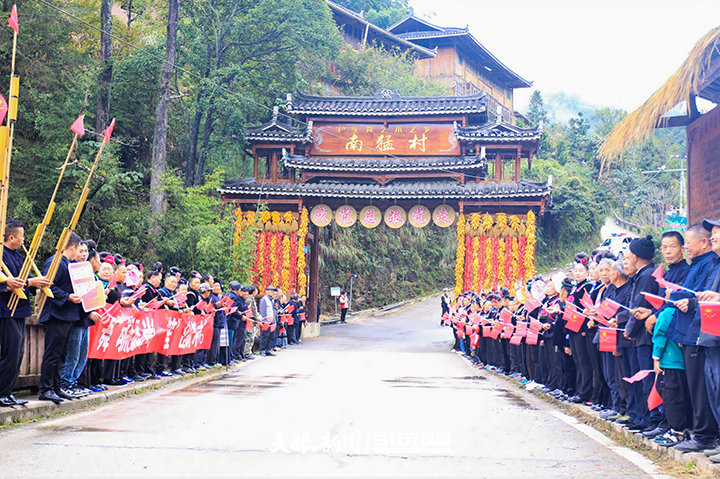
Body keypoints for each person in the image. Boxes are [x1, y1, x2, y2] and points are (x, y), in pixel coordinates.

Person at [0, 219, 51, 406]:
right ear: (11, 237)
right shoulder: (1, 254)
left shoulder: (18, 255)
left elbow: (23, 278)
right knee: (10, 353)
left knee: (18, 354)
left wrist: (34, 281)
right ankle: (1, 392)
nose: (24, 240)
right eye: (22, 236)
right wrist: (8, 284)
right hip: (6, 310)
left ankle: (7, 391)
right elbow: (12, 281)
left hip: (19, 309)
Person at [38, 232, 84, 404]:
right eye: (79, 249)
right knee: (52, 353)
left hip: (68, 315)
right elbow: (48, 286)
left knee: (62, 354)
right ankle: (46, 389)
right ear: (72, 247)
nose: (79, 253)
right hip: (56, 313)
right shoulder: (56, 262)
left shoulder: (70, 265)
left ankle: (56, 387)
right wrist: (67, 297)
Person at [259, 286, 277, 357]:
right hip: (266, 321)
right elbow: (263, 310)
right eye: (270, 291)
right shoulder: (264, 299)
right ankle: (262, 350)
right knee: (264, 336)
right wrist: (264, 320)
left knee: (271, 336)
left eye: (273, 291)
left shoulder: (272, 299)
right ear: (266, 291)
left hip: (272, 321)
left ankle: (268, 349)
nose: (272, 292)